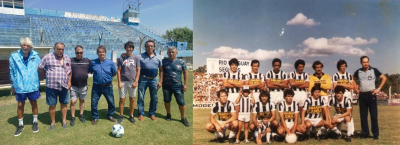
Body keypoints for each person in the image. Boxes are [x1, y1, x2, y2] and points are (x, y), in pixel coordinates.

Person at [10, 37, 41, 136]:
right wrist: (12, 85)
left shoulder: (36, 56)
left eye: (28, 45)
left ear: (31, 46)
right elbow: (12, 71)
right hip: (20, 85)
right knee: (20, 105)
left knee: (34, 103)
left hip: (32, 85)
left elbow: (41, 67)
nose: (25, 47)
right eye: (24, 45)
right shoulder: (14, 56)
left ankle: (35, 122)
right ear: (20, 45)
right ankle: (20, 124)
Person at [38, 42, 72, 130]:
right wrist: (47, 74)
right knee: (52, 105)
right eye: (59, 49)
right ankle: (52, 122)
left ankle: (64, 121)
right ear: (54, 48)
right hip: (51, 86)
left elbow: (70, 71)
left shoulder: (67, 58)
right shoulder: (47, 57)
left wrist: (69, 82)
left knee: (64, 104)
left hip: (64, 86)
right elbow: (40, 68)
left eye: (62, 49)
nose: (61, 51)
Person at [353, 56, 387, 140]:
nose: (365, 63)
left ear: (369, 62)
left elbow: (384, 78)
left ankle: (375, 134)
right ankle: (365, 133)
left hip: (371, 94)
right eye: (364, 62)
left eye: (367, 62)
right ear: (361, 63)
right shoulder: (358, 71)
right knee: (363, 116)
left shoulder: (374, 70)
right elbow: (352, 79)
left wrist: (378, 89)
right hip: (362, 95)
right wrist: (356, 89)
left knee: (373, 115)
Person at [162, 46, 190, 126]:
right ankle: (168, 114)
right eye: (169, 52)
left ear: (176, 53)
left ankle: (183, 118)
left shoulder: (181, 62)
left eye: (173, 52)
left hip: (177, 86)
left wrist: (186, 84)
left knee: (181, 102)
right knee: (167, 100)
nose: (171, 53)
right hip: (166, 85)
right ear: (167, 53)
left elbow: (186, 73)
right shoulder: (163, 61)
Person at [89, 45, 117, 125]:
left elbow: (114, 73)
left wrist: (107, 78)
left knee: (111, 101)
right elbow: (90, 71)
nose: (101, 53)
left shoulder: (110, 63)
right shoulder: (93, 63)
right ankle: (95, 117)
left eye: (103, 52)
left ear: (105, 53)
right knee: (94, 102)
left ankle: (110, 115)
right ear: (97, 53)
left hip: (107, 86)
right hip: (96, 86)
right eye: (100, 52)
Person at [137, 39, 163, 121]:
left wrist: (161, 81)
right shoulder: (140, 57)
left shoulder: (159, 57)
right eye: (148, 46)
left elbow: (161, 70)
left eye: (151, 46)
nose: (150, 47)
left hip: (154, 79)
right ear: (145, 47)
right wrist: (124, 55)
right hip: (143, 79)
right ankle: (141, 113)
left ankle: (152, 113)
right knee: (141, 97)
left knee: (154, 97)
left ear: (154, 47)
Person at [117, 41, 140, 124]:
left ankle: (131, 115)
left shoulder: (136, 58)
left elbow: (138, 70)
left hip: (132, 82)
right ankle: (121, 115)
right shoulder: (121, 58)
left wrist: (136, 81)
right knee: (122, 99)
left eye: (130, 47)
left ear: (133, 48)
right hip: (123, 81)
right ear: (125, 48)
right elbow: (118, 71)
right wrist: (119, 82)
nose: (129, 49)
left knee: (132, 99)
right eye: (127, 47)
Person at [332, 59, 355, 136]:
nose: (343, 68)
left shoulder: (349, 75)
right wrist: (346, 85)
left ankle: (351, 131)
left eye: (345, 66)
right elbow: (335, 86)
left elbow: (352, 86)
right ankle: (338, 130)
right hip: (339, 94)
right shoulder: (335, 75)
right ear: (339, 67)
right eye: (342, 66)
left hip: (348, 94)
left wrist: (341, 84)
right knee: (339, 111)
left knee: (349, 113)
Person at [69, 45, 91, 126]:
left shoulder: (87, 61)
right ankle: (73, 117)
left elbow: (97, 61)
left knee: (82, 100)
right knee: (73, 101)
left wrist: (122, 55)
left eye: (81, 52)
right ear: (75, 53)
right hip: (73, 86)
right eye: (77, 53)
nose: (79, 54)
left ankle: (81, 114)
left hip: (83, 86)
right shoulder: (71, 60)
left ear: (83, 52)